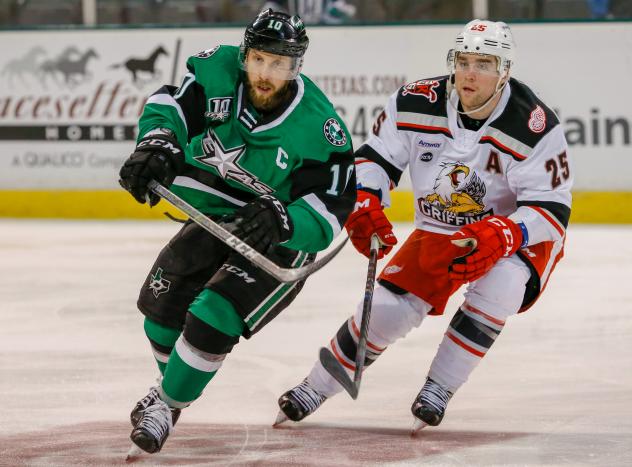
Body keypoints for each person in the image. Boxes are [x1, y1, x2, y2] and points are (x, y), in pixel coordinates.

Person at [275, 19, 573, 431]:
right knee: (386, 310)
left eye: (484, 64)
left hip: (519, 234)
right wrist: (366, 199)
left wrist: (506, 233)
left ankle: (440, 387)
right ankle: (314, 386)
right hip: (443, 227)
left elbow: (553, 209)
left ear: (504, 71)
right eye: (464, 60)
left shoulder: (533, 123)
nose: (469, 73)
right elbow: (375, 159)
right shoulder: (415, 101)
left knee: (500, 284)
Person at [118, 8, 355, 454]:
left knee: (213, 314)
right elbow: (170, 106)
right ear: (245, 55)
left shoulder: (320, 129)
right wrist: (157, 141)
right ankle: (171, 389)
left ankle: (165, 405)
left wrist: (286, 220)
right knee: (160, 308)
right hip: (220, 214)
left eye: (280, 63)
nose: (266, 74)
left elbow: (330, 211)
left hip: (279, 237)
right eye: (259, 60)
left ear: (296, 66)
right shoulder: (217, 71)